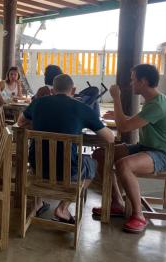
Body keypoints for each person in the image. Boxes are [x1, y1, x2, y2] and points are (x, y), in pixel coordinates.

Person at [92, 64, 166, 233]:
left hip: (164, 154)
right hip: (146, 147)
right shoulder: (152, 101)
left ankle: (139, 215)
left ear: (143, 81)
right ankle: (117, 202)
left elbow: (123, 127)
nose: (131, 84)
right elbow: (139, 121)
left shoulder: (157, 104)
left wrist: (116, 98)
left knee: (125, 165)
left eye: (133, 80)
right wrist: (123, 116)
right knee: (100, 155)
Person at [18, 74, 114, 223]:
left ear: (52, 90)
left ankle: (37, 204)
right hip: (69, 171)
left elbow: (20, 122)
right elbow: (110, 138)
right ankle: (63, 207)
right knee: (92, 164)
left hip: (38, 168)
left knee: (40, 154)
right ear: (73, 90)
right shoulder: (82, 108)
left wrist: (38, 126)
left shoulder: (38, 103)